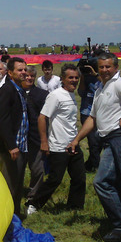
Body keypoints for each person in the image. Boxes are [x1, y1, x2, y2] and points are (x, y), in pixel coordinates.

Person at [69, 52, 121, 242]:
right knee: (118, 185)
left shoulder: (119, 84)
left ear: (116, 68)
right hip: (109, 140)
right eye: (101, 67)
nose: (104, 70)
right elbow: (92, 118)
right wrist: (76, 139)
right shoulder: (100, 88)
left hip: (119, 138)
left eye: (108, 67)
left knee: (102, 182)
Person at [27, 64, 85, 213]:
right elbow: (42, 117)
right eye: (70, 77)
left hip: (73, 143)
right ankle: (34, 204)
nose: (74, 80)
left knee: (79, 178)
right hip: (59, 146)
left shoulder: (72, 95)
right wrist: (44, 142)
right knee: (55, 179)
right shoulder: (56, 95)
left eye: (76, 78)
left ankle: (75, 206)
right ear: (62, 79)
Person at [0, 57, 30, 217]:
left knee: (17, 183)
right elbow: (2, 120)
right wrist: (11, 145)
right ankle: (5, 217)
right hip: (12, 147)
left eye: (25, 69)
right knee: (10, 185)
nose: (24, 72)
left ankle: (15, 215)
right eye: (19, 70)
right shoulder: (7, 90)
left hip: (21, 144)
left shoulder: (18, 89)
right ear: (10, 72)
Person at [22, 65, 48, 205]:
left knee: (37, 169)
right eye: (27, 75)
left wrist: (44, 139)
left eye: (32, 76)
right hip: (19, 138)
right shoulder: (15, 92)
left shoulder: (41, 94)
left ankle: (33, 196)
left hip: (35, 137)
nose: (29, 78)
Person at [78, 56, 102, 171]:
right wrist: (83, 76)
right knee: (93, 142)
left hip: (101, 113)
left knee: (100, 141)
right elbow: (81, 92)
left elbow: (110, 86)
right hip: (87, 113)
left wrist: (96, 75)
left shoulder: (102, 77)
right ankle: (96, 166)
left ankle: (89, 164)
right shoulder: (85, 78)